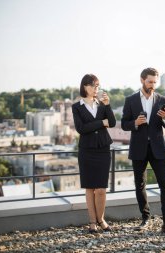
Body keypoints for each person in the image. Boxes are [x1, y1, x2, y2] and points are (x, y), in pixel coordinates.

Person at [121, 67, 165, 235]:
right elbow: (124, 124)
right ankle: (145, 218)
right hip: (138, 148)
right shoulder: (130, 100)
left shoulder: (162, 99)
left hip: (158, 148)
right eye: (150, 82)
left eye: (155, 82)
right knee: (140, 184)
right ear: (142, 80)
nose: (152, 85)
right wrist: (135, 123)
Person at [72, 74, 116, 233]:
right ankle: (92, 222)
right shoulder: (76, 106)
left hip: (103, 149)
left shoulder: (102, 104)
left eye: (98, 85)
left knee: (101, 189)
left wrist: (108, 105)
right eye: (94, 85)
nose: (97, 88)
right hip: (87, 151)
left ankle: (101, 219)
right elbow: (81, 129)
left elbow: (112, 123)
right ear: (85, 86)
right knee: (90, 188)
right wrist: (100, 123)